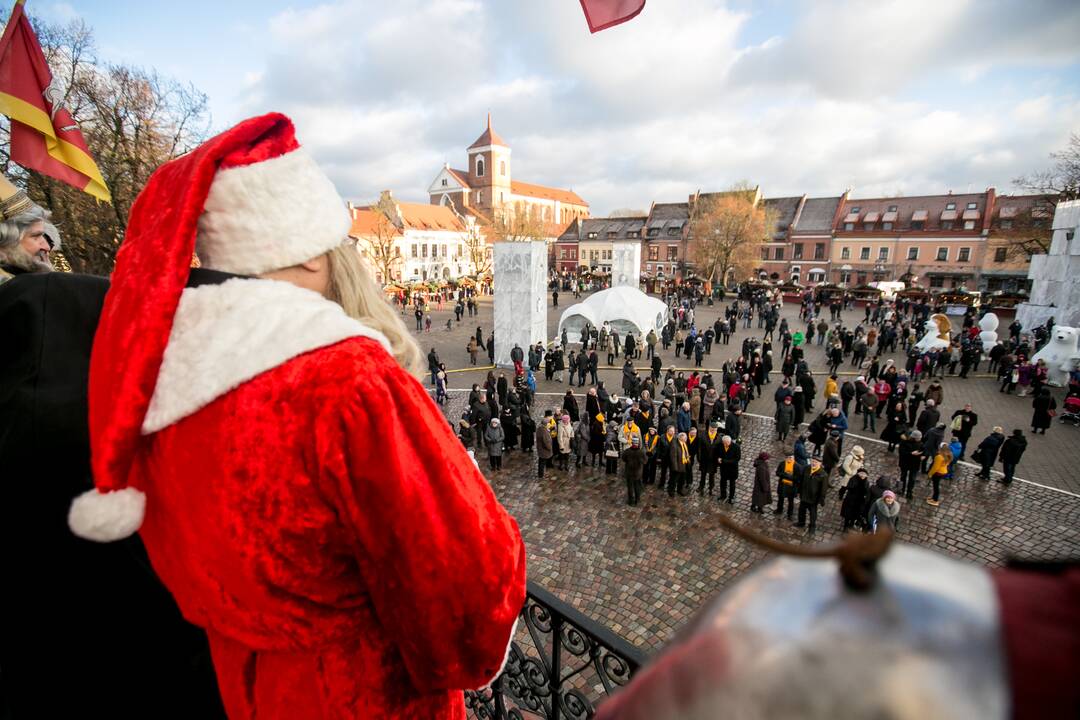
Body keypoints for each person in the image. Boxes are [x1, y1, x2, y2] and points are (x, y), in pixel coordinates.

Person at [70, 114, 524, 719]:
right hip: (362, 697)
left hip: (248, 688)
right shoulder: (345, 381)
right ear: (311, 257)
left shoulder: (165, 382)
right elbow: (465, 596)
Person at [795, 457, 827, 531]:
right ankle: (801, 522)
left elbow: (823, 489)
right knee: (801, 510)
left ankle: (812, 526)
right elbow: (801, 480)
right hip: (804, 495)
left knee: (813, 513)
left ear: (820, 463)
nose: (814, 463)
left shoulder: (823, 475)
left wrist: (821, 499)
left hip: (813, 498)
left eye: (816, 462)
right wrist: (799, 491)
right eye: (813, 461)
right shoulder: (806, 468)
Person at [898, 429, 923, 499]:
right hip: (905, 462)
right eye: (918, 438)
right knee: (903, 476)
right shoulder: (904, 442)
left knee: (912, 479)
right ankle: (901, 490)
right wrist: (911, 453)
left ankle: (909, 492)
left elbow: (923, 450)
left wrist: (923, 455)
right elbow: (901, 452)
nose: (920, 439)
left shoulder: (920, 443)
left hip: (915, 464)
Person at [773, 453, 799, 519]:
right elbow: (777, 473)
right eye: (788, 457)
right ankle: (779, 510)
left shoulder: (797, 466)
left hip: (791, 487)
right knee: (780, 499)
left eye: (791, 457)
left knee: (791, 501)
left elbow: (798, 478)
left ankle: (790, 514)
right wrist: (785, 475)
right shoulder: (782, 464)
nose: (789, 459)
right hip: (782, 485)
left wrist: (788, 477)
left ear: (793, 458)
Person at [717, 435, 740, 504]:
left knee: (732, 484)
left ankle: (731, 497)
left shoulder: (736, 447)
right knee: (723, 483)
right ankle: (723, 495)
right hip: (723, 469)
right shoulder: (720, 446)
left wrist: (724, 461)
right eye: (725, 443)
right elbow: (718, 454)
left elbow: (736, 459)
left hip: (732, 470)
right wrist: (718, 459)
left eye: (727, 443)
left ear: (730, 441)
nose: (726, 444)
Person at [623, 435, 645, 506]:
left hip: (629, 472)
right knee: (637, 486)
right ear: (638, 443)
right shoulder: (641, 452)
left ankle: (631, 501)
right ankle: (637, 499)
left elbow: (623, 458)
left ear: (632, 443)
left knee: (630, 487)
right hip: (637, 473)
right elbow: (645, 461)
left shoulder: (627, 451)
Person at [927, 442, 952, 506]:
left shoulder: (939, 457)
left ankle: (935, 500)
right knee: (936, 486)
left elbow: (935, 467)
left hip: (937, 473)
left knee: (936, 486)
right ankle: (933, 497)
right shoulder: (949, 455)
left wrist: (930, 474)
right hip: (943, 472)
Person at [669, 431, 691, 497]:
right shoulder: (674, 444)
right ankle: (671, 491)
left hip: (684, 464)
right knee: (674, 480)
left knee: (682, 479)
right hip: (678, 465)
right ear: (680, 437)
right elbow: (673, 457)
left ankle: (680, 490)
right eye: (685, 438)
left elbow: (685, 452)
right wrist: (675, 468)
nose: (686, 439)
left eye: (686, 437)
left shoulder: (684, 443)